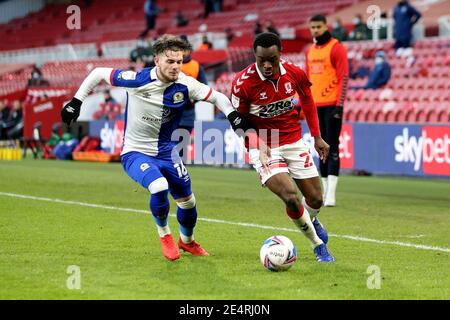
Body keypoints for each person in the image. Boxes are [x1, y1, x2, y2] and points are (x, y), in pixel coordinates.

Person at [61, 35, 236, 261]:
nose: (175, 67)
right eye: (170, 61)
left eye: (179, 62)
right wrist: (76, 101)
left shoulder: (186, 84)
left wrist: (233, 116)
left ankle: (187, 241)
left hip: (167, 151)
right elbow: (97, 74)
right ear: (156, 60)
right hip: (136, 152)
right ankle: (165, 235)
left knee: (188, 202)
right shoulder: (136, 80)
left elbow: (218, 97)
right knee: (159, 185)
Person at [229, 32, 335, 262]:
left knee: (316, 199)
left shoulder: (294, 72)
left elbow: (307, 99)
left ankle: (310, 220)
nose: (267, 65)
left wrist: (317, 137)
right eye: (261, 60)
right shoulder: (243, 83)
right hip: (264, 145)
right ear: (254, 56)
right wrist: (258, 145)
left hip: (294, 141)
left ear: (280, 55)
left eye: (272, 60)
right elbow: (239, 123)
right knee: (290, 196)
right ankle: (317, 245)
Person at [306, 15, 349, 207]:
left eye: (318, 26)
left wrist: (339, 106)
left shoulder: (336, 47)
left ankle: (331, 193)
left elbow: (344, 78)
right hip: (315, 107)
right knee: (320, 147)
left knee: (332, 145)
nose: (315, 30)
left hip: (332, 105)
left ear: (325, 26)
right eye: (312, 27)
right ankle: (323, 191)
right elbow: (306, 82)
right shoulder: (311, 51)